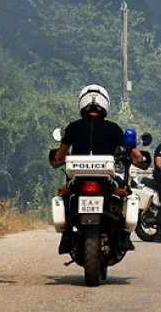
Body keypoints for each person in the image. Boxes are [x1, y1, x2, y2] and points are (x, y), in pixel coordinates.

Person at [51, 84, 147, 253]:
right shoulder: (113, 128)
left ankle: (66, 236)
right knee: (126, 194)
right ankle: (125, 236)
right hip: (106, 179)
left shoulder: (73, 127)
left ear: (82, 103)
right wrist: (141, 159)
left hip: (78, 178)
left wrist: (58, 159)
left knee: (66, 195)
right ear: (105, 104)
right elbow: (133, 153)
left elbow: (59, 157)